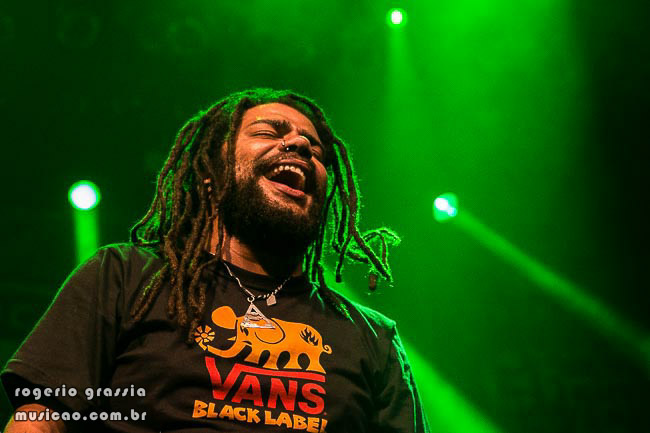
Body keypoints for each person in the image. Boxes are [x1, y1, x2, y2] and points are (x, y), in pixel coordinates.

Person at [1, 88, 429, 432]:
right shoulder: (125, 276)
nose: (300, 144)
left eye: (316, 150)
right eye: (269, 131)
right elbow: (40, 419)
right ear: (212, 170)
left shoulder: (372, 337)